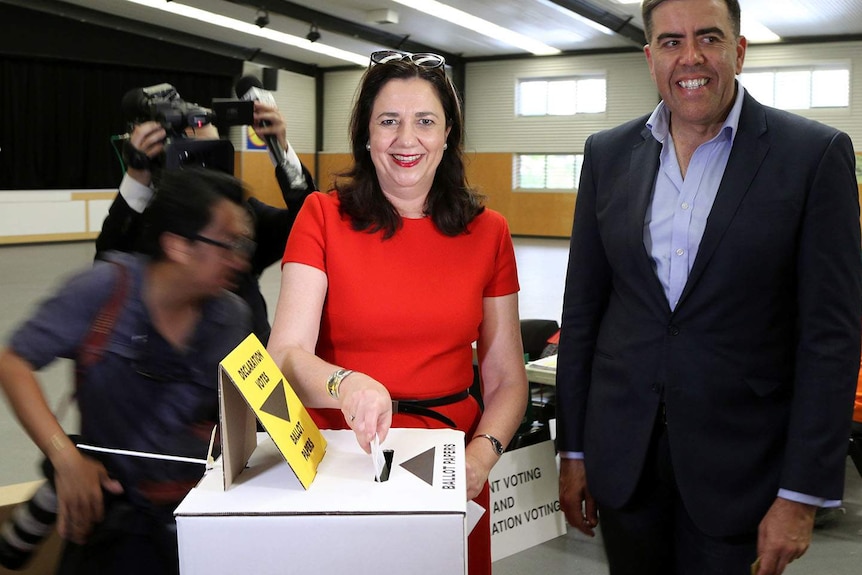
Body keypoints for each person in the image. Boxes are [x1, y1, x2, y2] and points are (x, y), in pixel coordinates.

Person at [554, 1, 862, 575]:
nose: (690, 57)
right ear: (650, 58)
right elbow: (585, 312)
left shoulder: (813, 156)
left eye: (709, 38)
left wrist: (802, 493)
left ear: (739, 51)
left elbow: (832, 339)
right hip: (625, 463)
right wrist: (572, 451)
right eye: (671, 42)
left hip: (744, 473)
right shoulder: (606, 155)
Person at [265, 50, 529, 575]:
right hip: (343, 454)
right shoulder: (321, 216)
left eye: (425, 122)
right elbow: (286, 354)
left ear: (448, 133)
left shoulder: (489, 232)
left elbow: (506, 377)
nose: (407, 140)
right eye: (389, 121)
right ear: (366, 133)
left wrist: (481, 457)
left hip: (452, 463)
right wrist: (348, 385)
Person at [0, 168, 254, 574]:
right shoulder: (103, 290)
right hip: (112, 529)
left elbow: (246, 421)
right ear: (178, 246)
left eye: (243, 244)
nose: (240, 260)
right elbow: (13, 362)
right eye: (227, 244)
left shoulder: (232, 317)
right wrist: (65, 457)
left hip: (193, 523)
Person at [96, 99, 315, 344]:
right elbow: (107, 261)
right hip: (169, 363)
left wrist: (281, 152)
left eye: (212, 155)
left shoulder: (243, 216)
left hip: (247, 361)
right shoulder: (148, 220)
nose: (206, 172)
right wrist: (137, 177)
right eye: (193, 157)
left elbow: (306, 221)